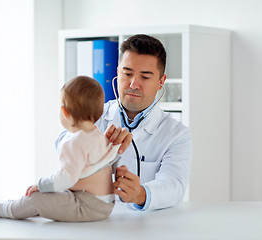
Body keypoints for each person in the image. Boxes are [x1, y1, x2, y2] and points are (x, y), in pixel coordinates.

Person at [58, 34, 193, 211]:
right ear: (117, 72)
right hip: (89, 217)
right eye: (127, 73)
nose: (134, 84)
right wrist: (95, 144)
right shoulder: (93, 115)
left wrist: (141, 194)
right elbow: (62, 148)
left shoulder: (177, 134)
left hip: (145, 227)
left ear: (161, 82)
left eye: (145, 77)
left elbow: (174, 186)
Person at [0, 76, 132, 222]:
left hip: (88, 206)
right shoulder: (97, 136)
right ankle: (22, 206)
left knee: (37, 197)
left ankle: (6, 209)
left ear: (64, 112)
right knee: (54, 195)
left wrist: (41, 185)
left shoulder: (74, 143)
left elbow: (66, 179)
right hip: (104, 204)